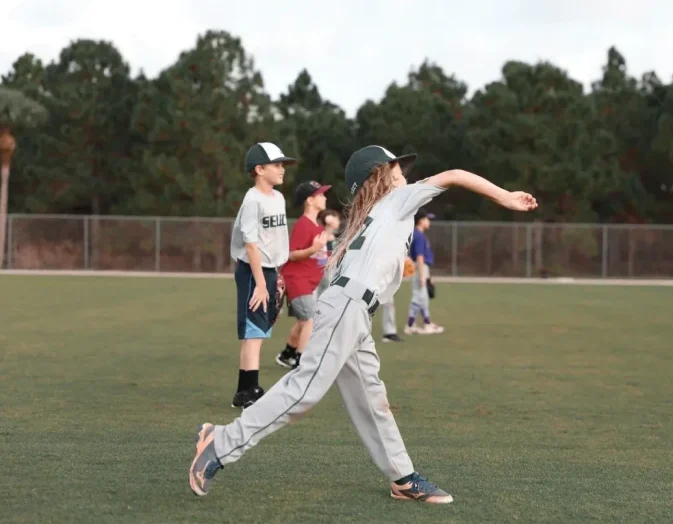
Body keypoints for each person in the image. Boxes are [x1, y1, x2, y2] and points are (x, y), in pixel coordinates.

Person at [189, 145, 538, 504]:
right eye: (394, 167)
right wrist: (505, 197)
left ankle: (402, 476)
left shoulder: (374, 214)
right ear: (377, 178)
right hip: (348, 307)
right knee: (304, 389)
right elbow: (455, 175)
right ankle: (221, 442)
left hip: (352, 310)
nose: (402, 171)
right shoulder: (398, 201)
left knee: (372, 398)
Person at [229, 142, 297, 409]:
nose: (282, 169)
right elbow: (251, 244)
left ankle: (243, 391)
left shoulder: (277, 198)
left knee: (259, 330)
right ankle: (249, 390)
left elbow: (275, 241)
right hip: (252, 272)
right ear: (259, 169)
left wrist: (276, 275)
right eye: (277, 164)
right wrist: (259, 283)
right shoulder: (252, 200)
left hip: (268, 271)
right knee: (253, 331)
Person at [275, 181, 332, 370]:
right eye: (321, 195)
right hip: (296, 280)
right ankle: (301, 361)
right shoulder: (303, 225)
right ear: (310, 200)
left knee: (302, 322)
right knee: (310, 320)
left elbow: (321, 259)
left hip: (308, 283)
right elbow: (291, 254)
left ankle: (287, 355)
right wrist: (313, 248)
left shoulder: (318, 228)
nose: (324, 197)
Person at [405, 209, 443, 335]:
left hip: (422, 268)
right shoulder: (419, 235)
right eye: (427, 219)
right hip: (420, 267)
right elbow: (420, 257)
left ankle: (426, 323)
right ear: (420, 221)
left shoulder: (417, 234)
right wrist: (422, 276)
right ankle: (411, 325)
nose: (429, 222)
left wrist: (427, 276)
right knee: (419, 297)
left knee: (423, 297)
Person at [314, 208, 342, 298]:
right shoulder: (322, 235)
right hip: (321, 270)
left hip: (331, 270)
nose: (339, 222)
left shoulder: (334, 238)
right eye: (337, 219)